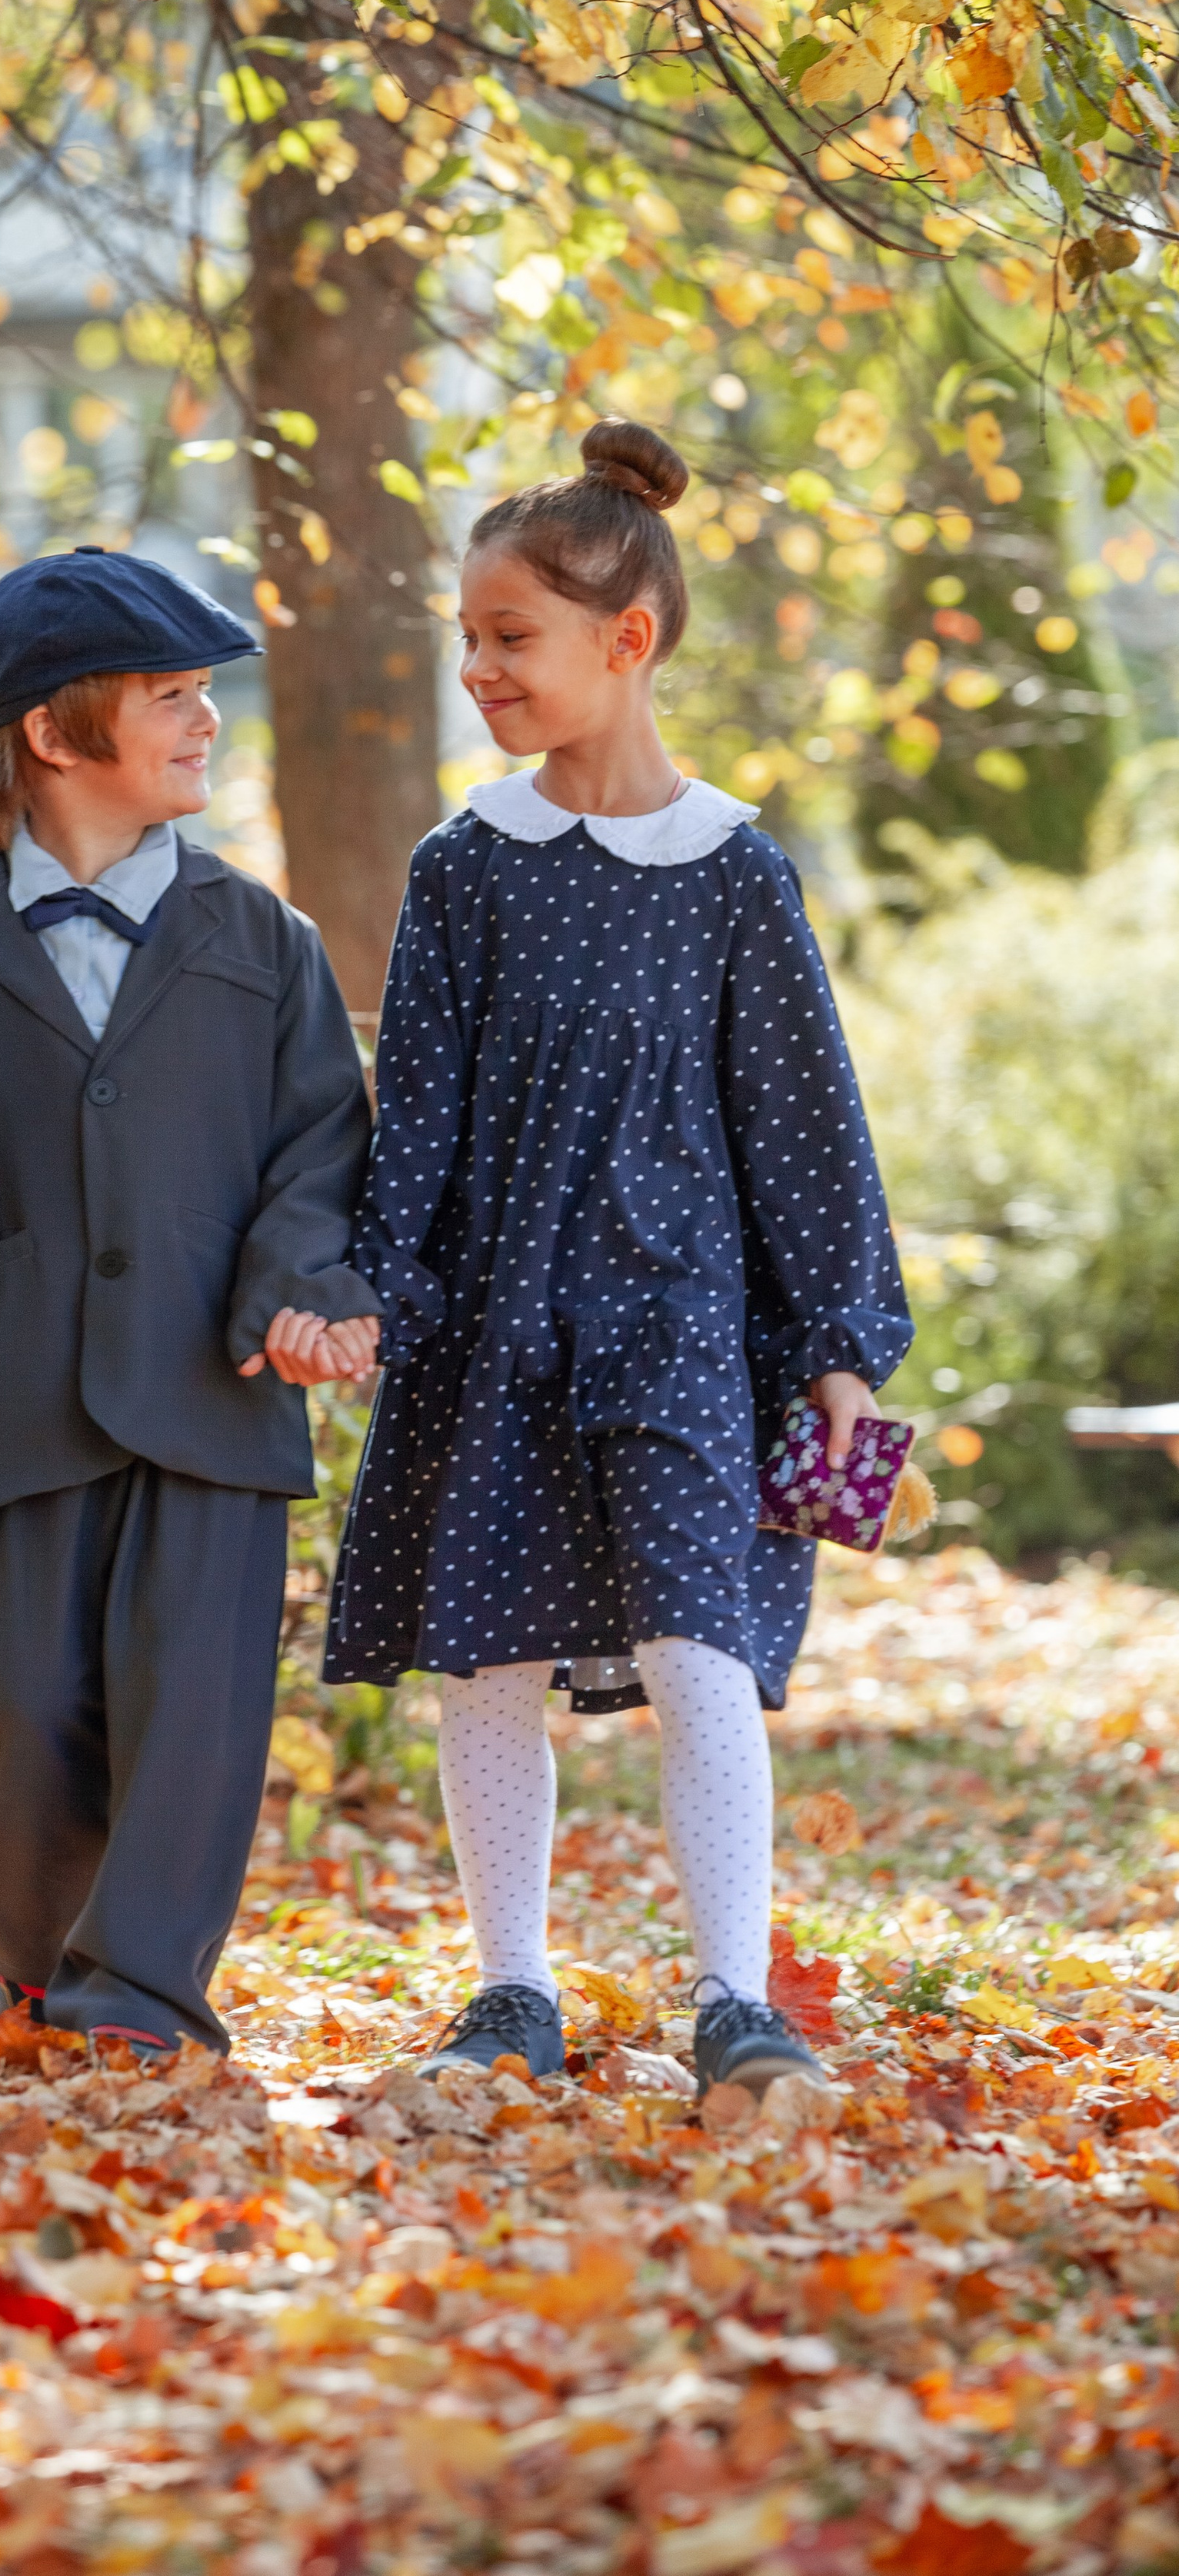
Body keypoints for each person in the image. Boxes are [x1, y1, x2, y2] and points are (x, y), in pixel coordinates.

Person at [325, 421, 911, 2103]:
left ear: (622, 639)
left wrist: (837, 1352)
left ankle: (733, 1994)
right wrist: (373, 1299)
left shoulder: (731, 872)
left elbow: (804, 1133)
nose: (477, 669)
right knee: (490, 1651)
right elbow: (414, 1131)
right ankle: (506, 1988)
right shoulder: (460, 872)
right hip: (489, 1331)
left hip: (681, 1335)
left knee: (696, 1642)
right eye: (467, 638)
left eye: (508, 637)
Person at [0, 547, 379, 2058]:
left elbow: (320, 1155)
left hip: (210, 1391)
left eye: (205, 696)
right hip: (8, 1398)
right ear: (56, 736)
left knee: (191, 1720)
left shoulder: (267, 943)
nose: (204, 724)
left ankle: (140, 2001)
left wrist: (297, 1292)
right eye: (172, 697)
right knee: (29, 1708)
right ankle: (38, 1972)